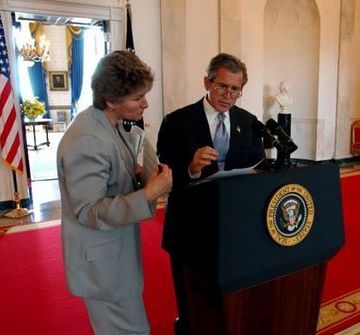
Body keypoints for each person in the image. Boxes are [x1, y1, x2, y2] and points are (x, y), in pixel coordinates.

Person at [57, 50, 172, 335]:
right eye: (137, 98)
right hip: (103, 265)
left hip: (113, 254)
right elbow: (88, 211)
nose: (145, 103)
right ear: (110, 101)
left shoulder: (108, 123)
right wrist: (147, 194)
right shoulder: (88, 140)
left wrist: (132, 176)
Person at [156, 52, 265, 334]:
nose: (228, 95)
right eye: (221, 86)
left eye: (235, 89)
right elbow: (162, 175)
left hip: (233, 224)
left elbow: (257, 163)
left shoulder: (249, 121)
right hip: (188, 225)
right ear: (207, 82)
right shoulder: (176, 122)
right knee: (191, 295)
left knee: (228, 294)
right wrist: (190, 168)